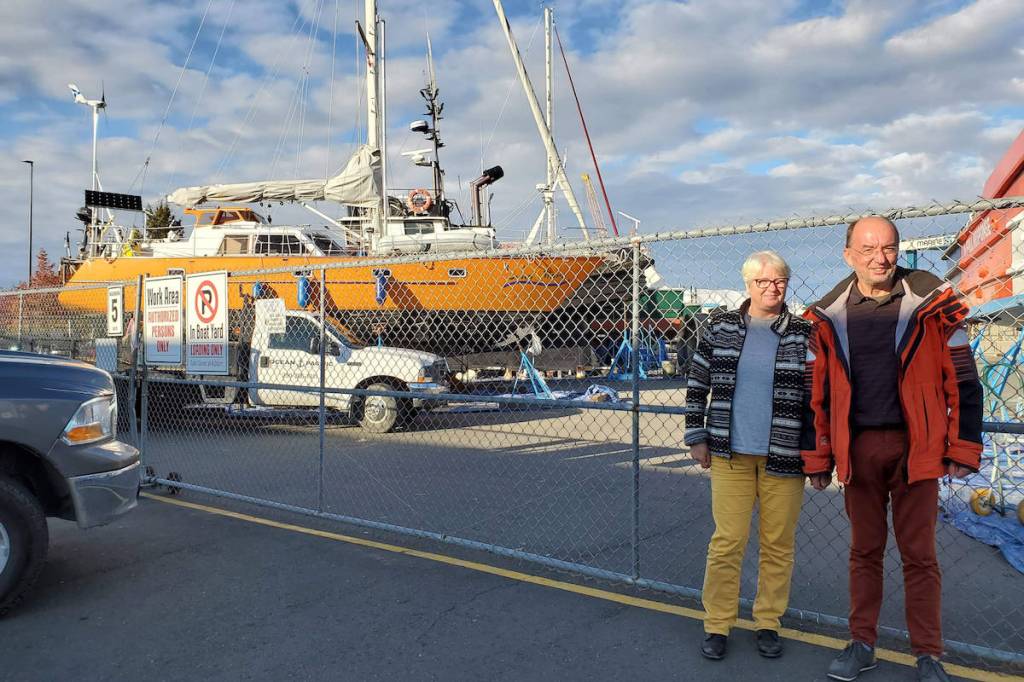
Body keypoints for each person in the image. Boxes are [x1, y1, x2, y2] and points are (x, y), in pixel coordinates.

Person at [802, 217, 983, 682]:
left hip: (918, 449)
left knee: (920, 556)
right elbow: (813, 393)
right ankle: (862, 643)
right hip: (857, 450)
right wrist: (819, 458)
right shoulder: (825, 317)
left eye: (888, 247)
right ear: (848, 256)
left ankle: (929, 654)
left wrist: (963, 447)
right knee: (865, 552)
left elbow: (964, 380)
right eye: (868, 249)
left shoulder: (937, 306)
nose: (880, 258)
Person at [685, 250, 814, 661]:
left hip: (784, 455)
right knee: (727, 542)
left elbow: (817, 398)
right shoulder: (721, 327)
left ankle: (767, 622)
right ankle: (718, 623)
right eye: (763, 282)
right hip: (729, 453)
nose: (772, 288)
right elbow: (697, 384)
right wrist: (696, 435)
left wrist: (818, 455)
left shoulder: (803, 333)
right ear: (748, 285)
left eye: (779, 281)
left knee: (778, 544)